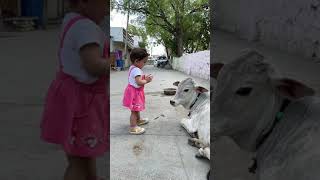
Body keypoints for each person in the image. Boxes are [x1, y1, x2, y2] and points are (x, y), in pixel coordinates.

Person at [40, 0, 109, 179]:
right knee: (79, 162)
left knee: (84, 153)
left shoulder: (71, 20)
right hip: (82, 104)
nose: (108, 9)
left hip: (69, 97)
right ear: (84, 3)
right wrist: (115, 64)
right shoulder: (86, 28)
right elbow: (93, 65)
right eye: (105, 3)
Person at [123, 48, 153, 135]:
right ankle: (133, 127)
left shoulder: (132, 67)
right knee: (134, 110)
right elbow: (139, 82)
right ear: (136, 61)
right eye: (144, 62)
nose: (145, 64)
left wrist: (144, 78)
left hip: (133, 91)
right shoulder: (136, 70)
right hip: (135, 93)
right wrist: (147, 80)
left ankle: (138, 120)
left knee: (136, 108)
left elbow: (137, 79)